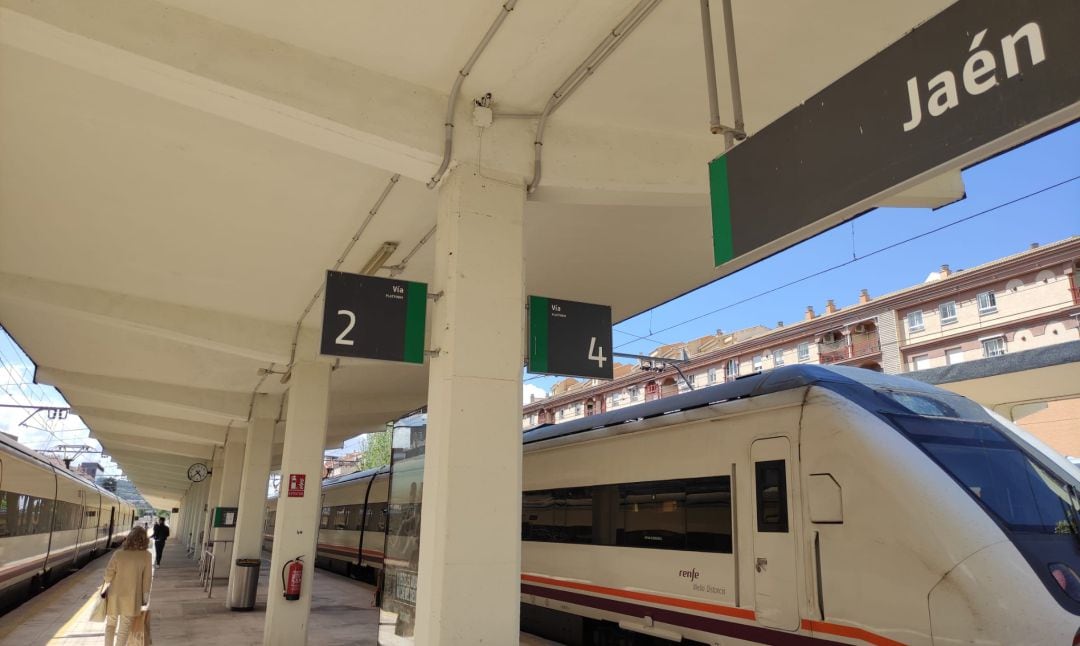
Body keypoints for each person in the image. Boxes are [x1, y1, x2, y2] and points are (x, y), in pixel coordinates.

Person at [103, 526, 152, 646]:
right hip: (132, 597)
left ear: (129, 538)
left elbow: (108, 575)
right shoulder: (146, 556)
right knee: (124, 629)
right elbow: (147, 580)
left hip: (115, 595)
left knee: (110, 624)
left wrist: (105, 587)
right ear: (144, 540)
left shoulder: (118, 554)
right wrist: (145, 599)